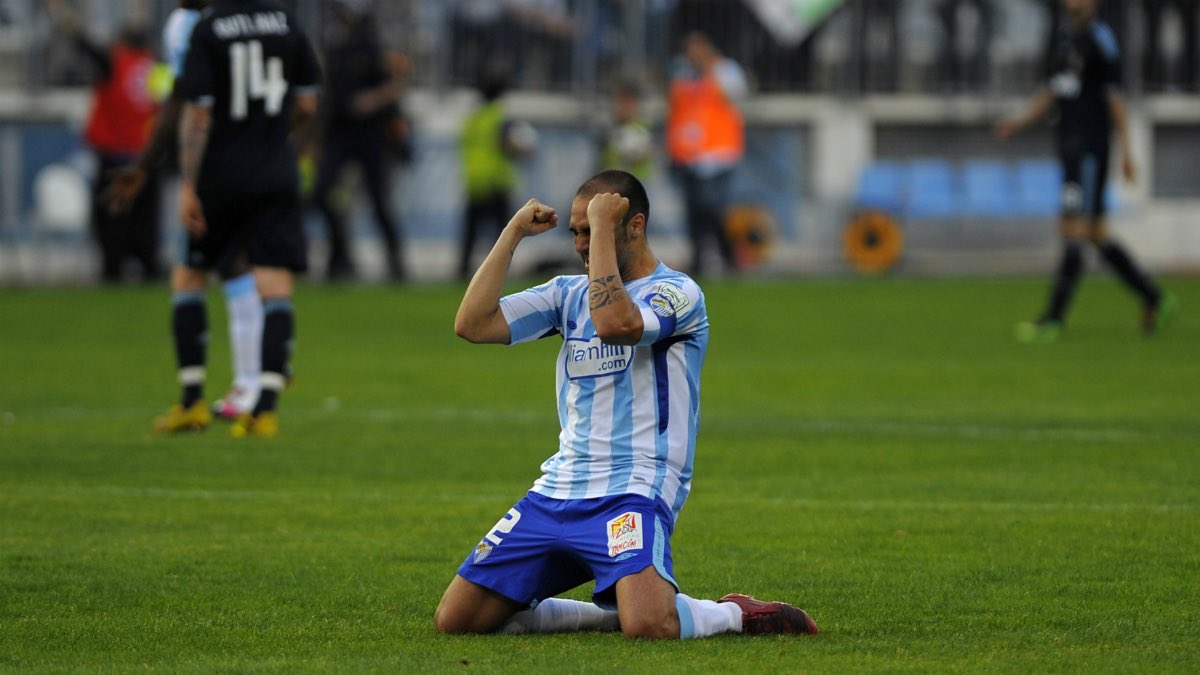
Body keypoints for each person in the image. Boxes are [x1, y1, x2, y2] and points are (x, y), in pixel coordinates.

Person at [436, 169, 819, 639]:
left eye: (592, 229)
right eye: (577, 231)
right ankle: (608, 613)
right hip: (558, 488)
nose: (580, 242)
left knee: (650, 626)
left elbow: (616, 323)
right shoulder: (566, 294)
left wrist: (600, 230)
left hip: (634, 487)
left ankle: (734, 613)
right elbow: (473, 323)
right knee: (456, 621)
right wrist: (513, 232)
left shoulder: (677, 293)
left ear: (634, 226)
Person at [153, 0, 321, 438]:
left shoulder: (208, 28)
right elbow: (307, 103)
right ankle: (264, 410)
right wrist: (275, 140)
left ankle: (191, 401)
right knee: (275, 288)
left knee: (189, 277)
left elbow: (198, 111)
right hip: (275, 173)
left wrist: (189, 183)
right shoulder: (286, 23)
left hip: (220, 175)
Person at [105, 0, 263, 421]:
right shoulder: (258, 20)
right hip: (258, 160)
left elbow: (187, 101)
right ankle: (250, 381)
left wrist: (173, 176)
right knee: (232, 268)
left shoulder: (193, 27)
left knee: (204, 272)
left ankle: (227, 390)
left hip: (216, 164)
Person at [996, 0, 1177, 343]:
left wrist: (1126, 151)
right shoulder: (1065, 39)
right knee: (1094, 233)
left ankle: (1052, 319)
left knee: (1073, 228)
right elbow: (1052, 90)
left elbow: (1116, 98)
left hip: (1090, 150)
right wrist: (1018, 121)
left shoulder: (1102, 40)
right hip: (1069, 146)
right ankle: (1155, 298)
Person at [49, 2, 162, 283]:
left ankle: (115, 271)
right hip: (146, 159)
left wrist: (59, 11)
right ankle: (148, 268)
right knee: (146, 224)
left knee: (111, 223)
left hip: (116, 156)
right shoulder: (154, 65)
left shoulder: (114, 61)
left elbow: (82, 40)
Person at [313, 0, 409, 282]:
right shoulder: (333, 45)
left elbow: (394, 87)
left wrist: (372, 101)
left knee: (378, 200)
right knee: (322, 192)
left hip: (369, 134)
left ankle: (396, 262)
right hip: (339, 132)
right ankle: (340, 255)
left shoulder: (372, 46)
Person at [666, 32, 747, 277]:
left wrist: (711, 70)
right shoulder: (681, 73)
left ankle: (728, 254)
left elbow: (736, 96)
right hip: (687, 156)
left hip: (718, 154)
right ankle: (700, 258)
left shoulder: (724, 70)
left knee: (713, 209)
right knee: (694, 212)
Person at [457, 71, 531, 280]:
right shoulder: (500, 117)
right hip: (497, 181)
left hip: (474, 181)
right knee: (504, 236)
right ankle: (500, 273)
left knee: (470, 235)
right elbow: (514, 146)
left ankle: (462, 273)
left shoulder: (472, 118)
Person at [597, 81, 654, 180]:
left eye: (628, 103)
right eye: (620, 103)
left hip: (636, 183)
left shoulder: (642, 129)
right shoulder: (608, 129)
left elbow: (645, 155)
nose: (623, 108)